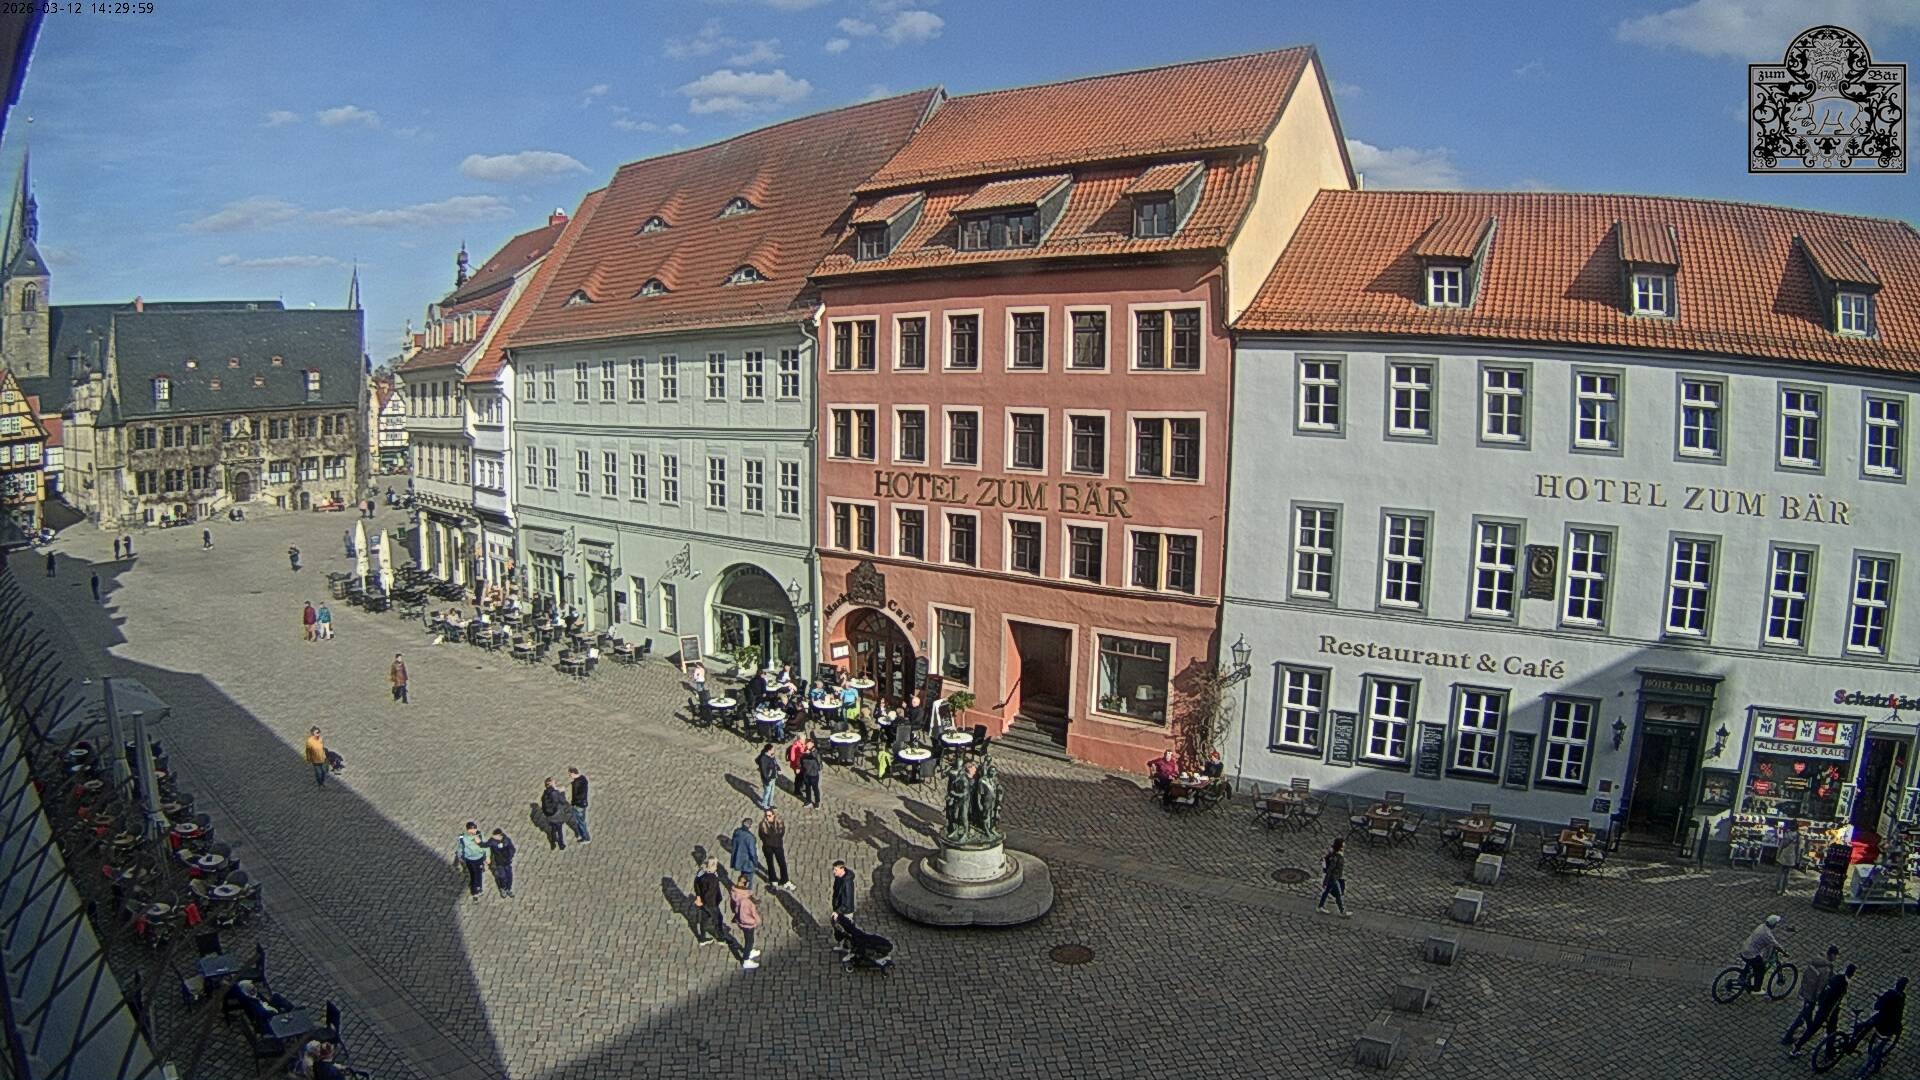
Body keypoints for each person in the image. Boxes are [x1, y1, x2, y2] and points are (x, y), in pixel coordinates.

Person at [1795, 962, 1856, 1057]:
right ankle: (1827, 1053)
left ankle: (1828, 1051)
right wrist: (1828, 1016)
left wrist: (1820, 1003)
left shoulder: (1837, 977)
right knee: (1822, 1030)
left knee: (1824, 1030)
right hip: (1829, 1011)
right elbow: (1836, 1001)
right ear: (1852, 974)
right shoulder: (1843, 984)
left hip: (1823, 1007)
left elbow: (1824, 990)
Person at [1784, 945, 1839, 1048]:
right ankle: (1788, 1036)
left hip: (1806, 990)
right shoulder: (1826, 969)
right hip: (1812, 996)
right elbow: (1820, 986)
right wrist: (1820, 1000)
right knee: (1803, 1015)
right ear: (1832, 955)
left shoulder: (1817, 959)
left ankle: (1809, 1029)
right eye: (1835, 956)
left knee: (1806, 1014)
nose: (1835, 958)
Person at [1740, 915, 1785, 993]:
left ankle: (1742, 976)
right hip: (1751, 954)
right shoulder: (1768, 935)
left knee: (1752, 963)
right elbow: (1776, 945)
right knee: (1761, 970)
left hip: (1745, 949)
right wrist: (1784, 952)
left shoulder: (1761, 926)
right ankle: (1756, 989)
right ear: (1773, 925)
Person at [692, 858, 731, 948]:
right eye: (716, 865)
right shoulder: (712, 878)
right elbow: (711, 894)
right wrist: (710, 902)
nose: (717, 867)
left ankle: (702, 938)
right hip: (711, 903)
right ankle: (721, 938)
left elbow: (696, 884)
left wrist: (698, 897)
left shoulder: (701, 872)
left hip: (702, 901)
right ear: (712, 866)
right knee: (718, 919)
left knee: (704, 919)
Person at [729, 874, 762, 971]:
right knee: (749, 940)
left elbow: (733, 906)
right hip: (747, 923)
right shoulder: (746, 900)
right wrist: (756, 921)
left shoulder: (735, 892)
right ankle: (746, 959)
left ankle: (749, 951)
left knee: (748, 939)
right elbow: (751, 914)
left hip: (740, 921)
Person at [759, 808, 791, 891]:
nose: (767, 817)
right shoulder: (762, 825)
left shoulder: (779, 823)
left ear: (773, 815)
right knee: (770, 864)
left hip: (777, 846)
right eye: (766, 816)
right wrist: (769, 841)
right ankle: (773, 880)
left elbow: (781, 833)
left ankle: (785, 879)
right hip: (768, 847)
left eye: (769, 816)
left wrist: (772, 839)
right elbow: (761, 835)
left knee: (782, 863)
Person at [454, 822, 488, 902]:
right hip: (469, 859)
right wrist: (459, 857)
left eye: (474, 829)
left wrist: (487, 856)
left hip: (479, 858)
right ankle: (475, 891)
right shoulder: (462, 837)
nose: (473, 831)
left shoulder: (479, 835)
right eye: (471, 829)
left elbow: (485, 846)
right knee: (474, 874)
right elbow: (460, 847)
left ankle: (478, 888)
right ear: (467, 830)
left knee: (478, 873)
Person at [1317, 836, 1350, 917]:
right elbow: (1330, 870)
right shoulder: (1336, 857)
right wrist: (1326, 880)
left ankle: (1320, 906)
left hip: (1335, 877)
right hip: (1332, 878)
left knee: (1326, 892)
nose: (1344, 846)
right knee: (1338, 894)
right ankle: (1342, 912)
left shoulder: (1337, 855)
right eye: (1343, 845)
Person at [482, 827, 516, 899]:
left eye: (495, 836)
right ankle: (503, 888)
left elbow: (512, 849)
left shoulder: (506, 840)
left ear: (499, 835)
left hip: (507, 862)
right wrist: (478, 842)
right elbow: (485, 845)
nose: (493, 837)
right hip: (499, 863)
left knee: (509, 876)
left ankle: (508, 889)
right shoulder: (492, 841)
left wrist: (510, 856)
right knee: (502, 876)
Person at [830, 859, 856, 953]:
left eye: (835, 870)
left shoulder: (847, 883)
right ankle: (844, 946)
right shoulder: (838, 878)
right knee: (840, 929)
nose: (834, 872)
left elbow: (847, 901)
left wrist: (837, 912)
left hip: (845, 911)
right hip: (839, 909)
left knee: (846, 931)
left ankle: (851, 948)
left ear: (842, 869)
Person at [540, 777, 571, 851]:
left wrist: (556, 789)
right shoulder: (555, 793)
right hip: (557, 815)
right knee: (560, 831)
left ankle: (553, 844)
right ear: (550, 784)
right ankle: (561, 844)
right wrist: (562, 792)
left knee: (553, 830)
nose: (555, 783)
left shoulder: (544, 794)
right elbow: (563, 801)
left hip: (549, 816)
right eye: (554, 782)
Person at [1776, 823, 1806, 896]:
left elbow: (1781, 846)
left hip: (1783, 854)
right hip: (1791, 856)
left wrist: (1778, 855)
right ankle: (1783, 890)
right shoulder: (1798, 837)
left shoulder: (1786, 834)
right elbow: (1798, 849)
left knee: (1780, 873)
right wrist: (1798, 859)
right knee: (1787, 874)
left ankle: (1777, 888)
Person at [729, 816, 758, 888]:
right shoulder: (750, 837)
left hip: (739, 860)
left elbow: (733, 843)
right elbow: (752, 852)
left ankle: (739, 890)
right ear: (750, 826)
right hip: (748, 862)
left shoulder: (736, 832)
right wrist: (755, 862)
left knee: (742, 878)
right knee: (748, 881)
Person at [566, 766, 591, 844]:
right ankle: (581, 834)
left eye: (570, 774)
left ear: (573, 773)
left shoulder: (577, 782)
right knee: (579, 821)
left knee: (581, 822)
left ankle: (586, 838)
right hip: (580, 804)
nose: (569, 776)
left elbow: (581, 795)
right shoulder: (582, 778)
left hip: (579, 805)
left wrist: (575, 803)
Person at [798, 743, 824, 809]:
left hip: (813, 775)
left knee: (815, 789)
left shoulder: (815, 754)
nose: (806, 746)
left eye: (808, 745)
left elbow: (819, 767)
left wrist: (809, 754)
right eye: (806, 745)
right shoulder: (803, 754)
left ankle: (817, 802)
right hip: (806, 775)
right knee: (807, 789)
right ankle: (808, 801)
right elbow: (800, 763)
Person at [755, 744, 780, 810]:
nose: (774, 750)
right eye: (773, 749)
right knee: (767, 792)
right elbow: (763, 770)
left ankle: (770, 804)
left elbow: (775, 763)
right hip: (768, 779)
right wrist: (767, 779)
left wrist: (778, 769)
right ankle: (764, 804)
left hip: (773, 777)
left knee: (772, 791)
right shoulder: (763, 758)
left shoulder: (771, 756)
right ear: (769, 750)